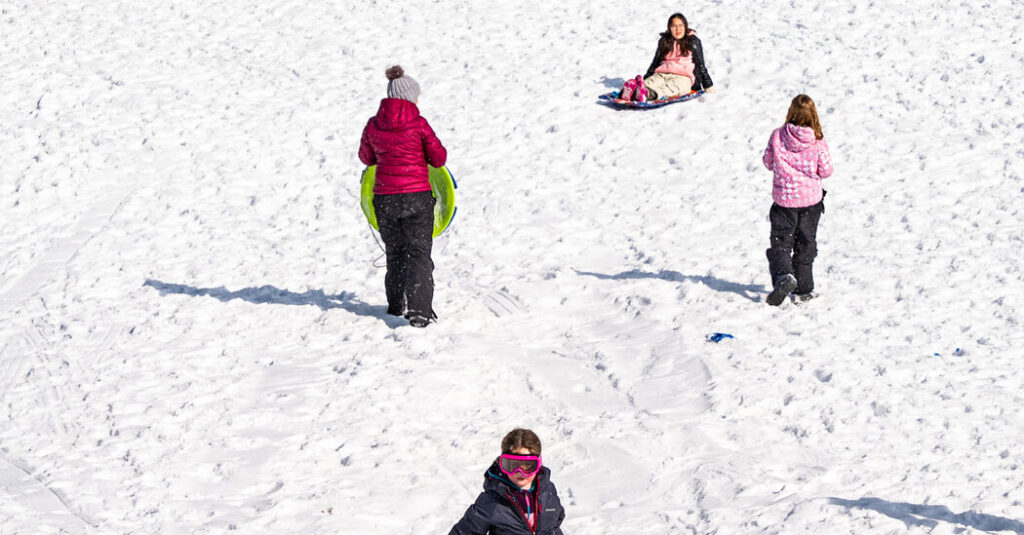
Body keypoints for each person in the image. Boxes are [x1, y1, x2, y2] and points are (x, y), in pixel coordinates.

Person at [358, 65, 447, 327]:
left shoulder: (374, 125)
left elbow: (366, 157)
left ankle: (396, 305)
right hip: (417, 197)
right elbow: (439, 159)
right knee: (419, 252)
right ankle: (419, 311)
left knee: (395, 252)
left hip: (384, 198)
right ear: (409, 98)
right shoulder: (419, 124)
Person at [762, 94, 834, 306]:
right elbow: (827, 170)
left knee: (780, 244)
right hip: (810, 204)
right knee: (805, 244)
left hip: (784, 202)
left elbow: (768, 162)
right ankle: (804, 289)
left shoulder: (777, 136)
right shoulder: (818, 142)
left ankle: (785, 276)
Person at [449, 429, 566, 535]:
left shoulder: (548, 493)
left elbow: (554, 524)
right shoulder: (492, 501)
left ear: (538, 465)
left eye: (527, 466)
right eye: (512, 465)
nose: (520, 472)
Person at [620, 13, 715, 102]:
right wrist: (646, 79)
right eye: (674, 26)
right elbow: (656, 62)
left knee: (668, 89)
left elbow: (700, 65)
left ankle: (646, 94)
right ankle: (631, 90)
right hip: (662, 74)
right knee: (650, 83)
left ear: (685, 26)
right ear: (669, 28)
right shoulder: (665, 41)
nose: (677, 29)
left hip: (684, 78)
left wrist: (708, 85)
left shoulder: (693, 42)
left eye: (680, 25)